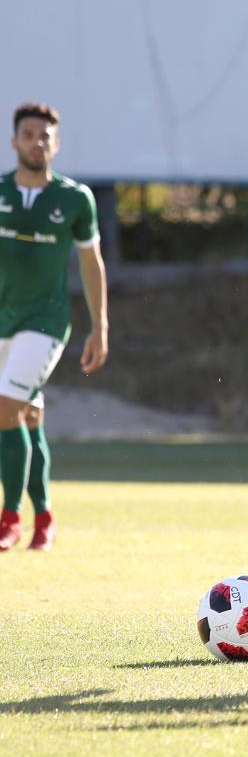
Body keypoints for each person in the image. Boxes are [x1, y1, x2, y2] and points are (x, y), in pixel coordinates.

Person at [0, 104, 109, 552]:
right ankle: (45, 517)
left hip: (46, 322)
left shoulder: (75, 198)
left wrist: (99, 325)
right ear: (14, 142)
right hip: (3, 319)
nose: (37, 142)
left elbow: (91, 261)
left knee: (5, 408)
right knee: (28, 416)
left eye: (45, 136)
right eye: (29, 134)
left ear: (56, 144)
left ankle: (10, 518)